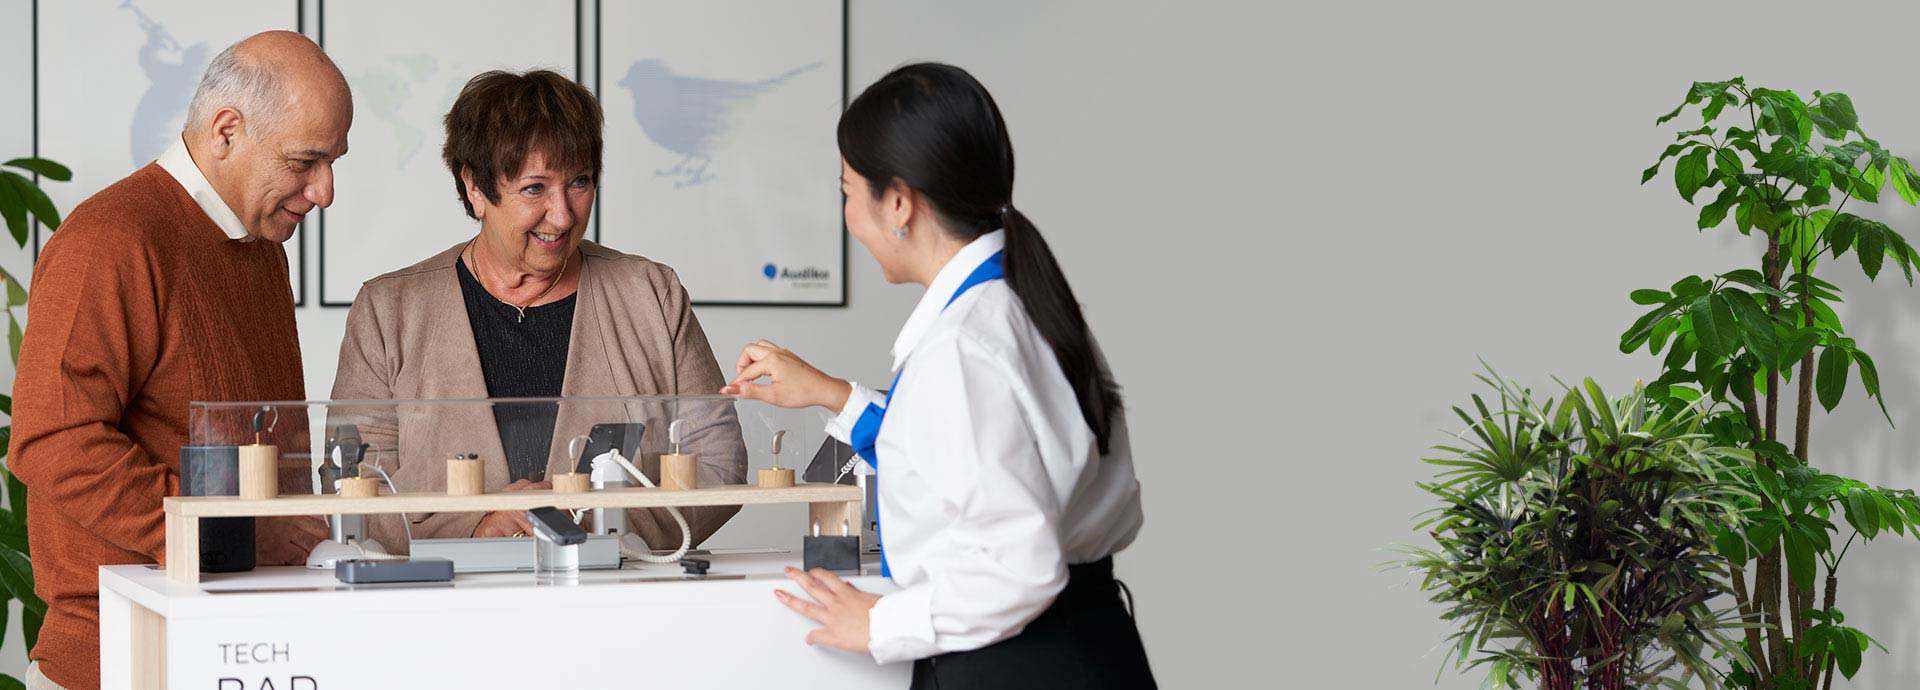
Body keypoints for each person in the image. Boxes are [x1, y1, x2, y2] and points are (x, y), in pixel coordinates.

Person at [725, 63, 1155, 689]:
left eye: (848, 192)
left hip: (1015, 662)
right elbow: (966, 454)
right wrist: (832, 395)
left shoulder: (962, 347)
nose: (848, 216)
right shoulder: (1025, 300)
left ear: (898, 203)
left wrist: (881, 624)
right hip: (1087, 642)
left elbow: (1018, 565)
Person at [7, 31, 347, 690]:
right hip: (118, 660)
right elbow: (52, 441)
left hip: (240, 650)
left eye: (334, 161)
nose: (325, 190)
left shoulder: (259, 249)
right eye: (306, 160)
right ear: (226, 130)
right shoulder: (109, 241)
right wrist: (234, 536)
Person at [330, 69, 744, 551]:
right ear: (475, 189)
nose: (564, 215)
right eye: (535, 189)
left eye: (580, 183)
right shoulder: (388, 310)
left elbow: (719, 465)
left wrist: (596, 522)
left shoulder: (653, 293)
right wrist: (474, 527)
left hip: (620, 603)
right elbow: (351, 489)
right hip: (446, 608)